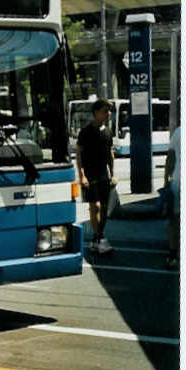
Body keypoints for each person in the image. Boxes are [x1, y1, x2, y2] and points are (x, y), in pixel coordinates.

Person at [75, 99, 115, 254]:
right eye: (105, 111)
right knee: (95, 206)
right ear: (96, 112)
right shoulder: (85, 132)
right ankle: (101, 238)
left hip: (104, 174)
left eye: (109, 111)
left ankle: (96, 239)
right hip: (90, 174)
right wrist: (82, 176)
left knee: (104, 208)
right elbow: (78, 155)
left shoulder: (108, 132)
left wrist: (113, 174)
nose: (108, 114)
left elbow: (111, 154)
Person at [163, 124, 180, 269]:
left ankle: (173, 255)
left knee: (175, 220)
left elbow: (170, 159)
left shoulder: (179, 132)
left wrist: (165, 182)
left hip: (178, 181)